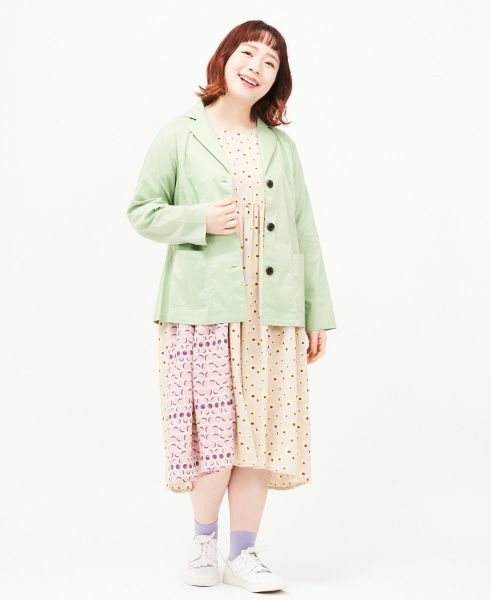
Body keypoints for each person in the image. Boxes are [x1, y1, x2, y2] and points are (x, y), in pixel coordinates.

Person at [127, 19, 336, 593]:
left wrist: (316, 313)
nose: (256, 67)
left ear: (277, 80)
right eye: (248, 53)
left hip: (273, 314)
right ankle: (202, 545)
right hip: (202, 310)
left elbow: (305, 233)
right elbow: (143, 210)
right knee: (214, 437)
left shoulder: (281, 148)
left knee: (257, 441)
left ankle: (244, 554)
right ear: (224, 58)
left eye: (271, 63)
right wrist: (198, 219)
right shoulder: (180, 133)